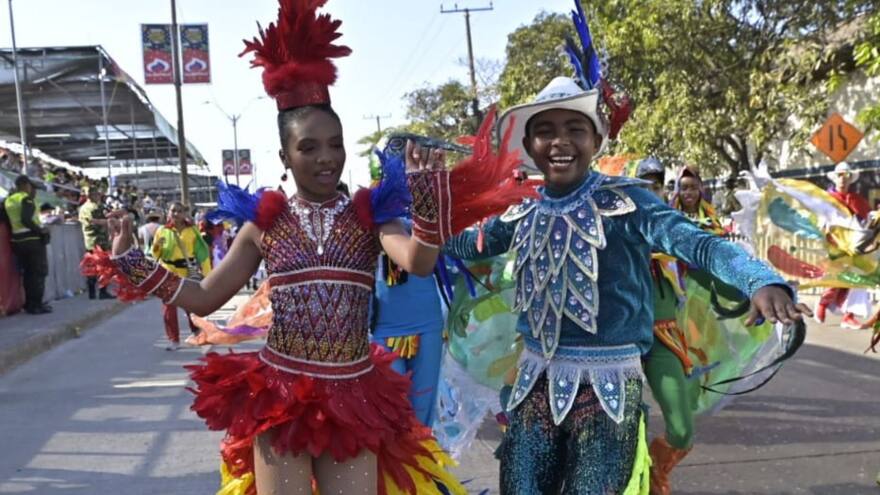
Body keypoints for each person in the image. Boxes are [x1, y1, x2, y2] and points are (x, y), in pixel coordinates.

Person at [83, 1, 529, 492]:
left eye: (335, 144)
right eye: (309, 147)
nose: (326, 158)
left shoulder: (370, 217)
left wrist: (426, 209)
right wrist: (132, 263)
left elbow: (418, 262)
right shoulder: (264, 225)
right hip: (279, 395)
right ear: (284, 156)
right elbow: (206, 297)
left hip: (354, 392)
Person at [442, 3, 810, 492]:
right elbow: (464, 246)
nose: (560, 142)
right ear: (530, 145)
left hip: (609, 389)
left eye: (575, 129)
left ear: (596, 139)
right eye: (546, 131)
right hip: (532, 383)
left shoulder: (627, 202)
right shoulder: (522, 211)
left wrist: (760, 279)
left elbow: (697, 243)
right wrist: (416, 218)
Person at [814, 162, 872, 329]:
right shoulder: (827, 199)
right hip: (835, 243)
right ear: (835, 178)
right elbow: (820, 220)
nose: (842, 179)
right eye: (839, 175)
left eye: (846, 176)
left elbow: (868, 219)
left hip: (856, 245)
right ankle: (823, 304)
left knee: (857, 278)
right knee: (837, 277)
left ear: (850, 179)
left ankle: (849, 315)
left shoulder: (857, 200)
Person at [152, 202, 211, 351]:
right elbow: (155, 254)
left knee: (190, 305)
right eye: (173, 211)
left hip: (186, 273)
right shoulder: (162, 231)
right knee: (168, 308)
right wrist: (158, 245)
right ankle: (174, 340)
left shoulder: (192, 231)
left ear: (185, 213)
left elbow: (201, 253)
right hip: (168, 272)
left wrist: (208, 274)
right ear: (168, 213)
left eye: (179, 211)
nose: (176, 214)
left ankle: (197, 332)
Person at [4, 175, 51, 314]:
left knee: (28, 274)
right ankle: (36, 304)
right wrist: (41, 231)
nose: (32, 190)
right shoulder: (26, 199)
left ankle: (29, 304)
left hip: (17, 242)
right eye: (31, 186)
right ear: (25, 185)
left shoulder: (9, 200)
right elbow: (26, 219)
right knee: (38, 273)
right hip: (32, 241)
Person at [78, 186, 114, 300]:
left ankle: (92, 293)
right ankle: (102, 292)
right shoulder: (94, 207)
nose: (98, 196)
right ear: (92, 195)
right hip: (98, 240)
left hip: (90, 241)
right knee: (103, 267)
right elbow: (95, 222)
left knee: (91, 267)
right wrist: (108, 222)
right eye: (97, 194)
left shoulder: (83, 208)